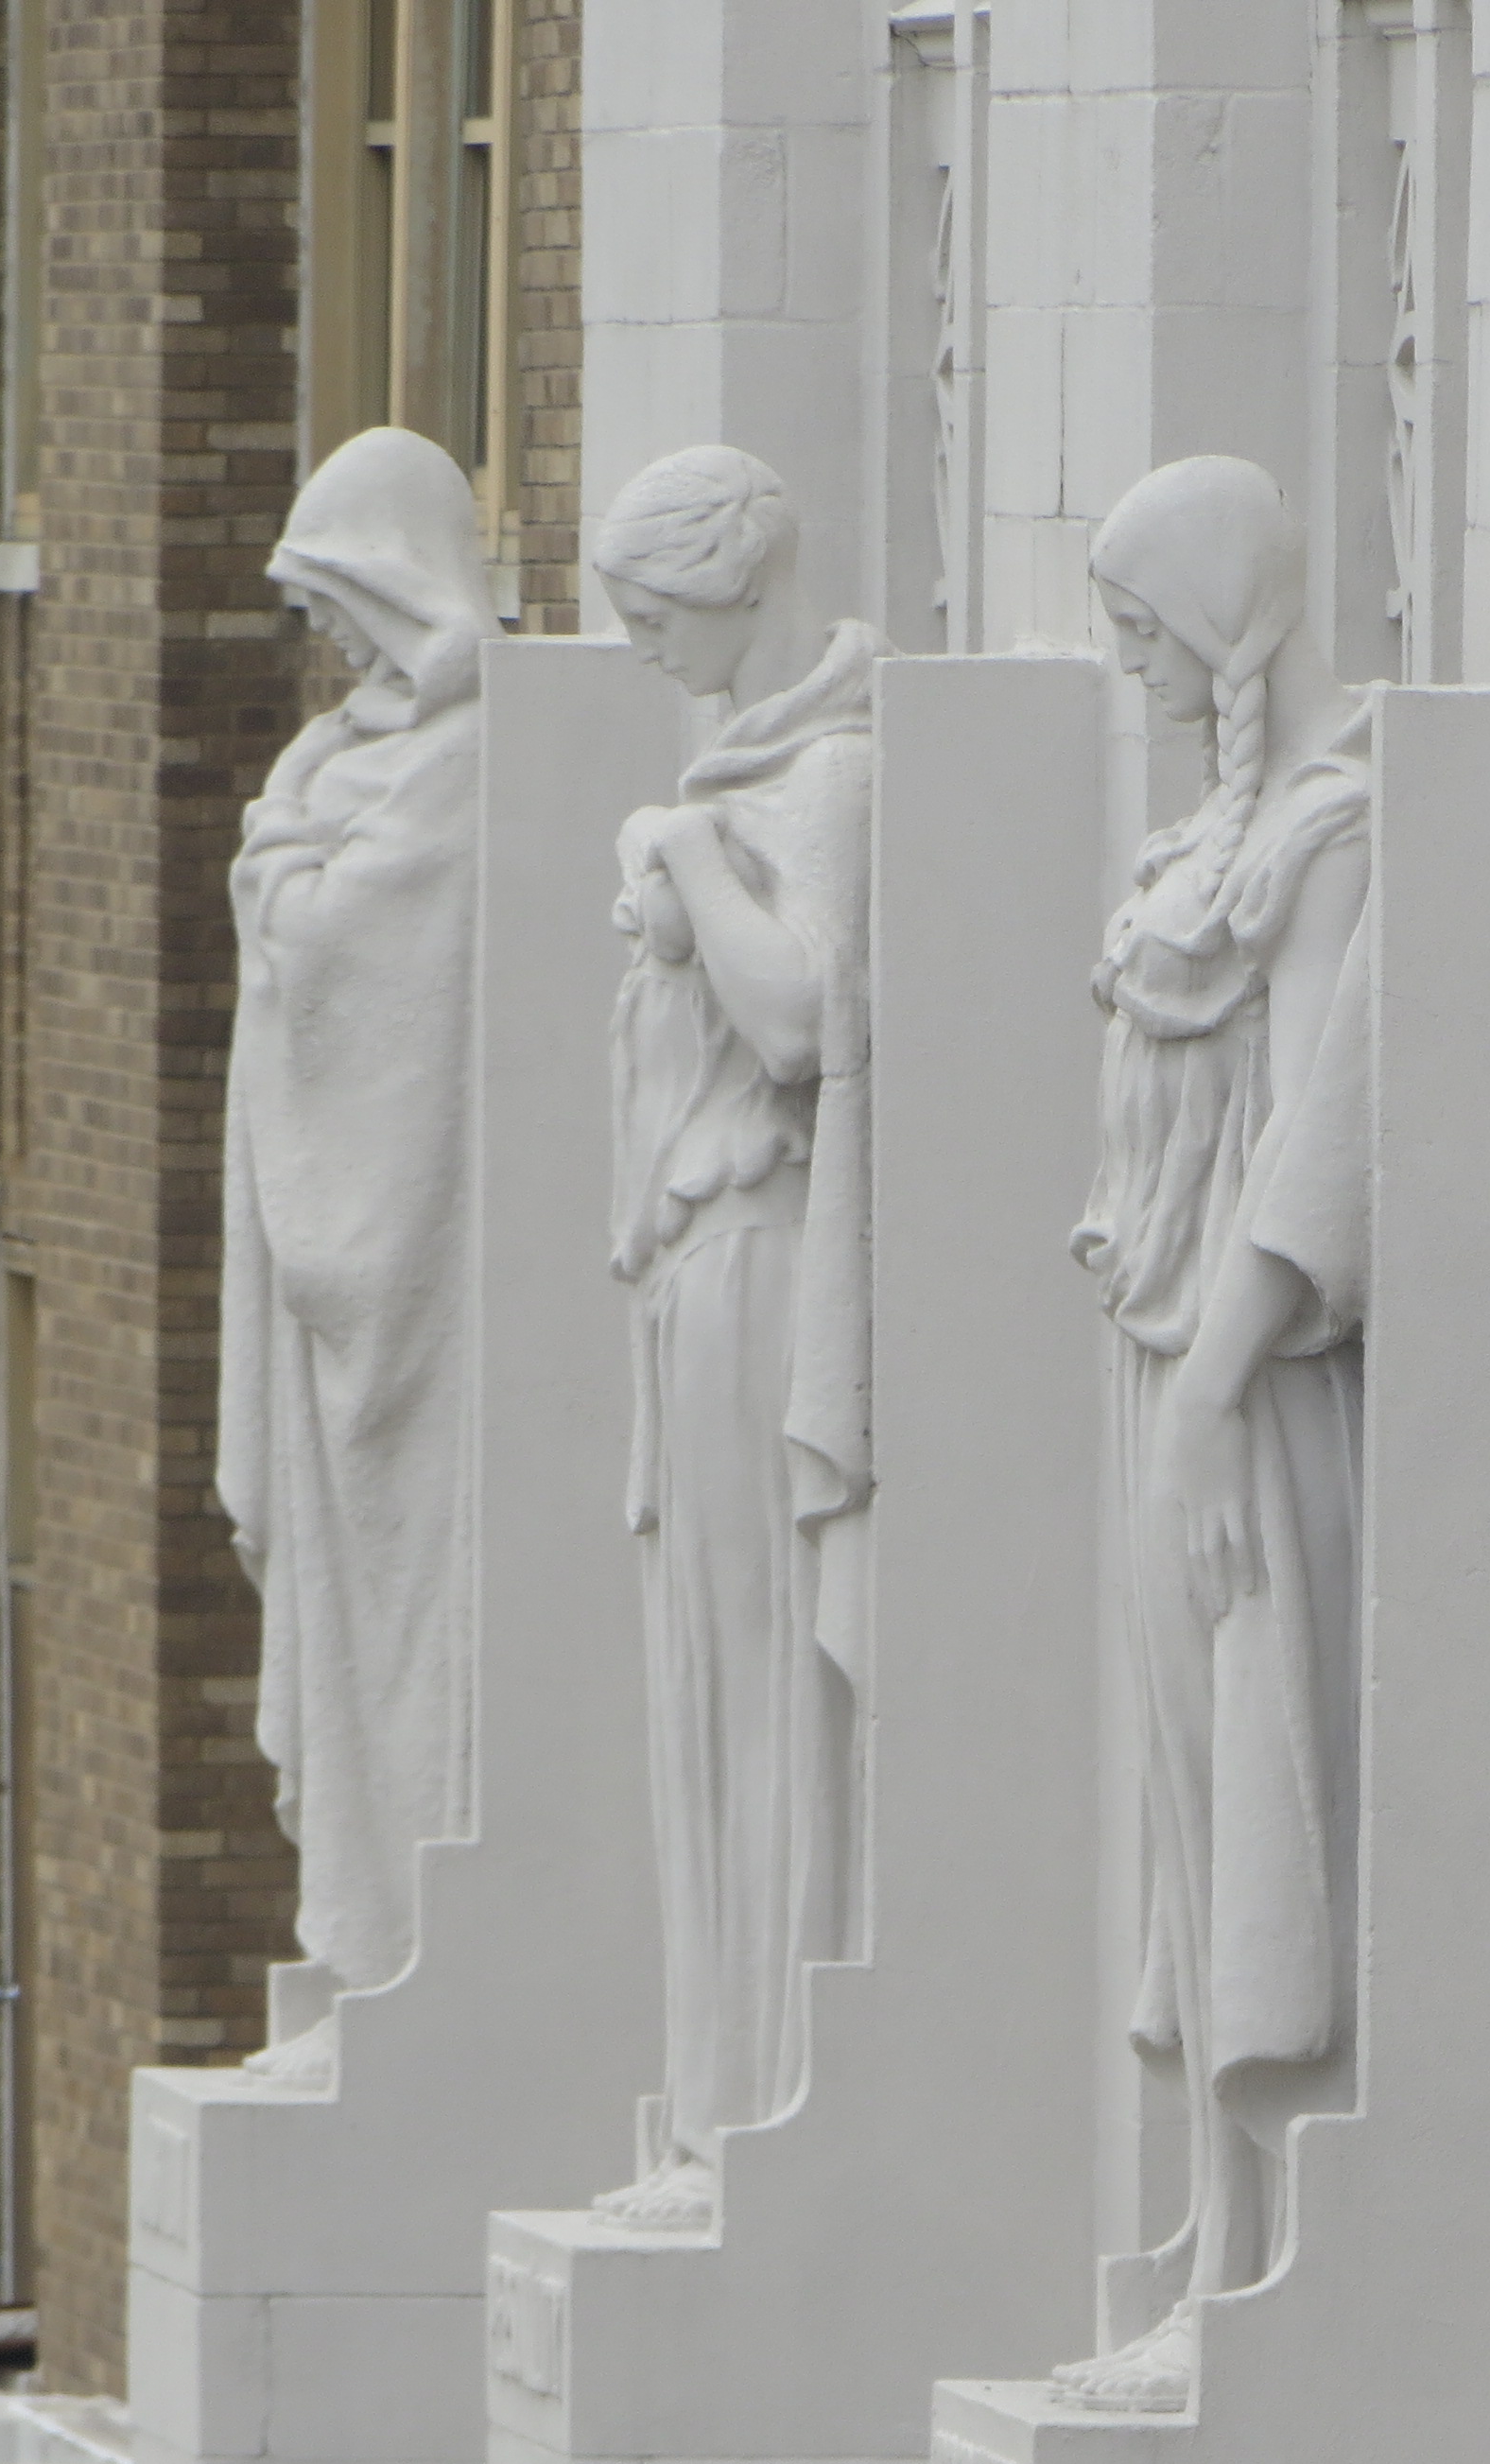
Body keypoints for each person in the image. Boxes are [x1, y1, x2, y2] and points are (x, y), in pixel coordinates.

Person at [1054, 457, 1375, 2412]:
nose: (1125, 664)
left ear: (1215, 620)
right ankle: (1210, 2236)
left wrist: (1212, 1384)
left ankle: (1262, 2262)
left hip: (1244, 1408)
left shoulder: (1324, 840)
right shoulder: (1199, 843)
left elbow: (1327, 1130)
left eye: (1137, 628)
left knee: (1260, 1802)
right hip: (1162, 1376)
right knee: (1181, 1835)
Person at [589, 446, 886, 2229]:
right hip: (691, 1274)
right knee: (701, 1693)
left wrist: (692, 856)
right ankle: (712, 2099)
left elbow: (800, 1028)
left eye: (650, 614)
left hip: (767, 1261)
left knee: (769, 1693)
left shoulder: (826, 775)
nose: (637, 651)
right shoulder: (737, 771)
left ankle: (761, 2101)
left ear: (738, 583)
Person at [220, 426, 495, 2084]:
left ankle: (402, 1948)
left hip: (404, 1267)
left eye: (343, 602)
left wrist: (287, 874)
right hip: (319, 1252)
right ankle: (352, 1933)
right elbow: (294, 895)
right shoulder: (348, 752)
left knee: (410, 1609)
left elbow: (349, 943)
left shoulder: (470, 757)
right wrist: (288, 863)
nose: (328, 645)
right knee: (336, 1605)